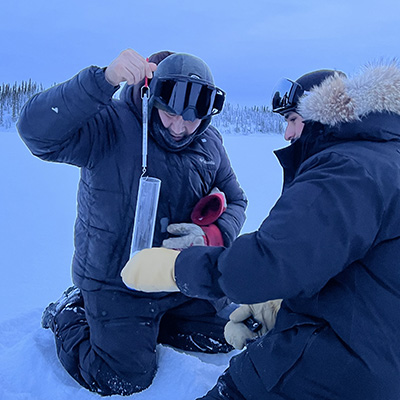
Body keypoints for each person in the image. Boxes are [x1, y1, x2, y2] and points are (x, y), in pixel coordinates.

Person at [121, 62, 400, 399]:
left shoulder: (346, 169)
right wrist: (282, 303)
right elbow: (358, 260)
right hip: (377, 349)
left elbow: (267, 253)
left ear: (323, 116)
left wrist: (179, 264)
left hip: (341, 363)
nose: (287, 134)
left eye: (293, 120)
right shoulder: (384, 158)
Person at [17, 48, 247, 396]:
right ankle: (69, 312)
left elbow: (237, 200)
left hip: (178, 280)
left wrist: (211, 234)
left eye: (192, 118)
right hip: (116, 283)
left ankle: (155, 326)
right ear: (153, 97)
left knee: (231, 334)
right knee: (123, 376)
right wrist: (101, 81)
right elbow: (36, 132)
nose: (180, 127)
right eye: (170, 113)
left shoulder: (210, 143)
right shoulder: (111, 124)